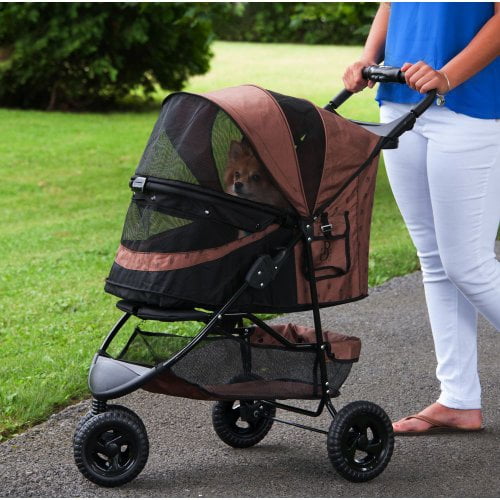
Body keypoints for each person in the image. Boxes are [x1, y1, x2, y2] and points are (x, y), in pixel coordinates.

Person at [343, 2, 500, 435]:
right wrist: (368, 58)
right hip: (399, 99)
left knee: (468, 264)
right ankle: (458, 399)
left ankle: (459, 399)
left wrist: (447, 75)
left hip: (470, 104)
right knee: (434, 260)